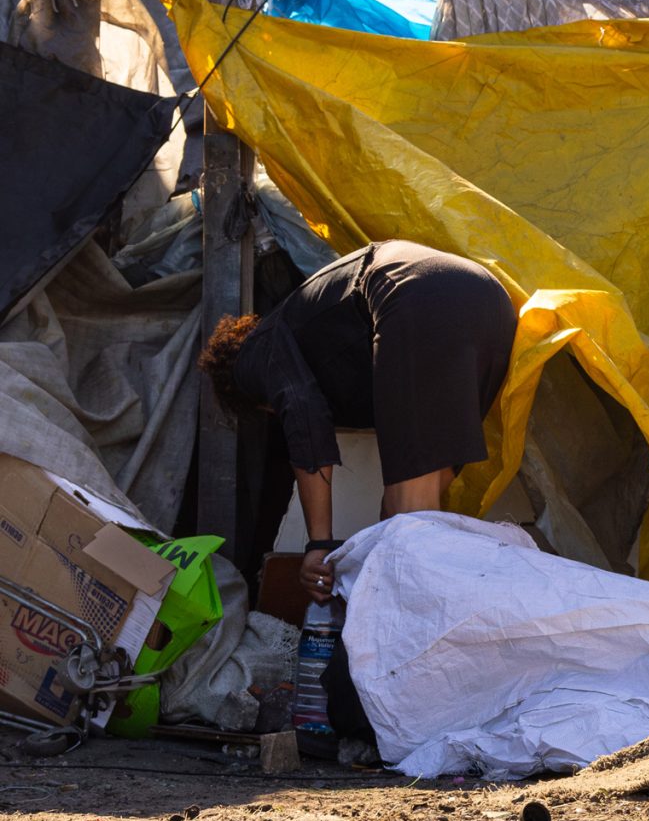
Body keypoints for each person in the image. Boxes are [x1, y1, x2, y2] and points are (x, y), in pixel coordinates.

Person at [197, 240, 517, 601]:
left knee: (408, 521)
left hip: (415, 291)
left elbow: (303, 414)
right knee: (405, 519)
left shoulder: (254, 355)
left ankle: (412, 640)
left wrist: (319, 544)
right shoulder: (320, 344)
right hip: (492, 303)